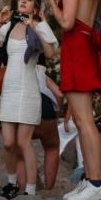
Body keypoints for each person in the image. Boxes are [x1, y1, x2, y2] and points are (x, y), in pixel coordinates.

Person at [49, 0, 101, 200]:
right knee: (83, 119)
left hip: (77, 48)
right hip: (87, 45)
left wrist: (53, 2)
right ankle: (91, 177)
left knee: (84, 120)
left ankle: (96, 182)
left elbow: (66, 22)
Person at [0, 0, 58, 198]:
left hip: (28, 88)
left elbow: (50, 53)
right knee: (8, 142)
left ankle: (31, 190)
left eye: (29, 0)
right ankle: (12, 183)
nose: (24, 1)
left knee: (23, 142)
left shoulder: (38, 26)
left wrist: (36, 28)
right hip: (9, 88)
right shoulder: (8, 26)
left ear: (35, 7)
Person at [29, 61, 65, 191]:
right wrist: (57, 113)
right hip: (45, 106)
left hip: (22, 105)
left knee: (22, 145)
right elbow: (60, 94)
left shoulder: (11, 66)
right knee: (52, 148)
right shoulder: (40, 70)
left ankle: (26, 186)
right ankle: (48, 189)